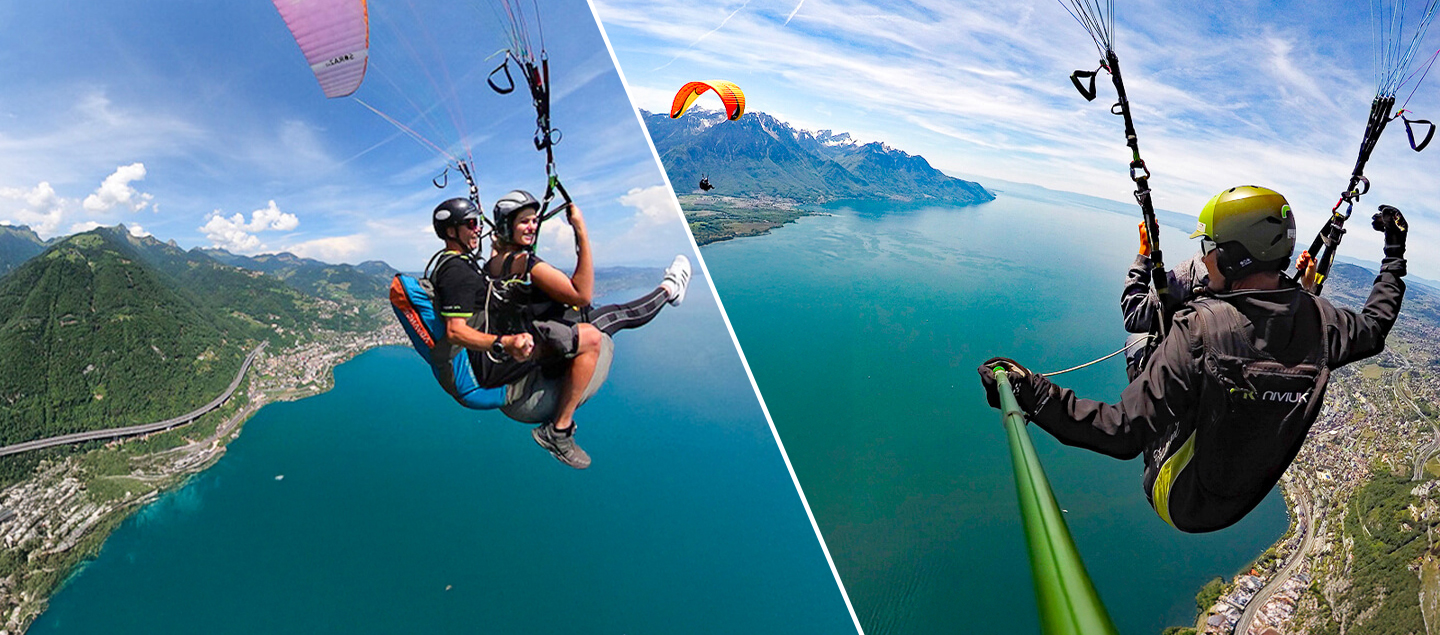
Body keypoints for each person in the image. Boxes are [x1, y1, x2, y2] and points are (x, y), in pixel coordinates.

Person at [980, 186, 1408, 533]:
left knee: (1140, 342)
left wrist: (1030, 392)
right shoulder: (1322, 319)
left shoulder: (1200, 329)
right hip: (1239, 500)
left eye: (1211, 246)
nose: (1205, 256)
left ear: (1234, 255)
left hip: (1178, 496)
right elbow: (1374, 324)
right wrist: (1393, 253)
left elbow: (1121, 432)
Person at [482, 190, 692, 469]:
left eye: (535, 220)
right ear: (508, 226)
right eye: (524, 221)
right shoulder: (524, 264)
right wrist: (580, 230)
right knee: (611, 318)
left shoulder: (493, 264)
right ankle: (559, 430)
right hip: (534, 377)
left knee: (599, 315)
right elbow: (582, 294)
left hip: (523, 365)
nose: (533, 226)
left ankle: (668, 290)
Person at [1119, 222, 1208, 381]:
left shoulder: (1193, 273)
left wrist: (1144, 252)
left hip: (1186, 382)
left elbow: (1134, 316)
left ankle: (1145, 400)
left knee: (1136, 341)